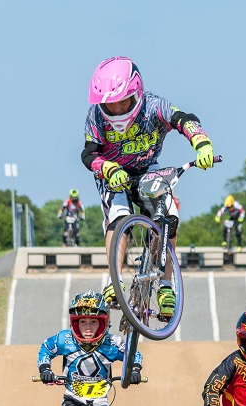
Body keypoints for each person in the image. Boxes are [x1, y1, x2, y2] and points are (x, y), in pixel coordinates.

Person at [80, 56, 216, 318]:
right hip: (113, 173)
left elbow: (182, 119)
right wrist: (106, 168)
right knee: (118, 217)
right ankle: (114, 280)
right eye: (110, 103)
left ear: (136, 93)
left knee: (169, 215)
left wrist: (201, 142)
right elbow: (88, 154)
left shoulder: (153, 106)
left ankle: (166, 285)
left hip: (147, 169)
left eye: (122, 100)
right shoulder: (96, 116)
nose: (117, 108)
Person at [37, 290, 143, 406]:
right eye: (82, 322)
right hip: (73, 399)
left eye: (93, 322)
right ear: (74, 323)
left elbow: (134, 354)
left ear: (104, 323)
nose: (87, 327)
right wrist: (45, 369)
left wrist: (135, 370)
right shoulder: (65, 339)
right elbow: (46, 349)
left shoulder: (112, 343)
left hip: (101, 401)